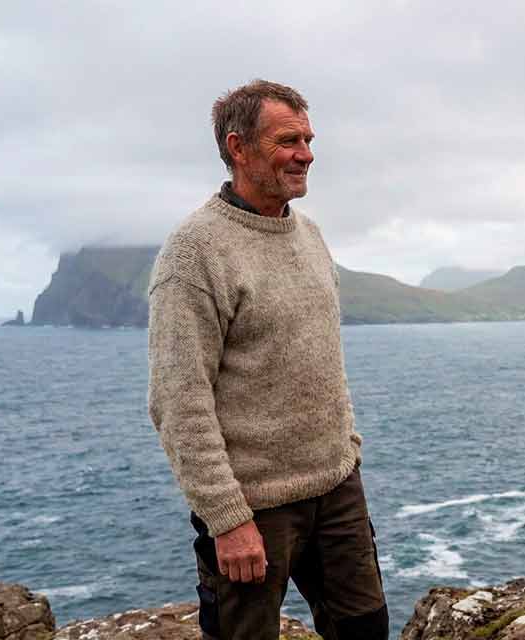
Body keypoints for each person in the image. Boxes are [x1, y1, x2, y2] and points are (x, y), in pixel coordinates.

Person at [147, 79, 388, 640]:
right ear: (238, 148)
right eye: (288, 140)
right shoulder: (194, 252)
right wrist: (227, 519)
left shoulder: (311, 236)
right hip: (254, 508)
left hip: (337, 490)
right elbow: (178, 402)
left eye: (308, 139)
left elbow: (322, 361)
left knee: (366, 629)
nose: (306, 153)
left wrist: (346, 450)